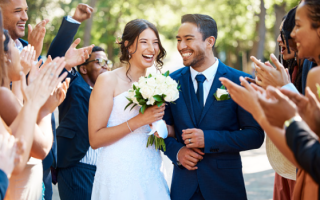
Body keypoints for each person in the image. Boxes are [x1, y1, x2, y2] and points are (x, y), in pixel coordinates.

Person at [163, 14, 264, 200]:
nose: (181, 46)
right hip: (184, 188)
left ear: (210, 41)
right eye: (179, 40)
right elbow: (160, 132)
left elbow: (255, 135)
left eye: (188, 39)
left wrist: (208, 139)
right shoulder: (169, 82)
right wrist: (177, 152)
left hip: (225, 187)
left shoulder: (239, 81)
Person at [89, 19, 170, 200]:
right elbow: (95, 139)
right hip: (118, 172)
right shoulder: (107, 80)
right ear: (127, 45)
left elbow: (163, 127)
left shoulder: (159, 83)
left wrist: (161, 128)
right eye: (144, 42)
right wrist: (139, 121)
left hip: (151, 169)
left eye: (155, 42)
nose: (152, 48)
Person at [1, 29, 69, 200]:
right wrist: (44, 108)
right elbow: (40, 148)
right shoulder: (2, 96)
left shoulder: (7, 94)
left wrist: (25, 85)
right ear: (5, 56)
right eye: (16, 48)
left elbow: (19, 125)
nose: (22, 51)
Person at [56, 46, 110, 200]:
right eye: (100, 61)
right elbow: (59, 71)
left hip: (101, 170)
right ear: (84, 69)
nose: (105, 65)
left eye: (107, 62)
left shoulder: (107, 93)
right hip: (76, 164)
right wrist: (67, 64)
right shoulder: (74, 84)